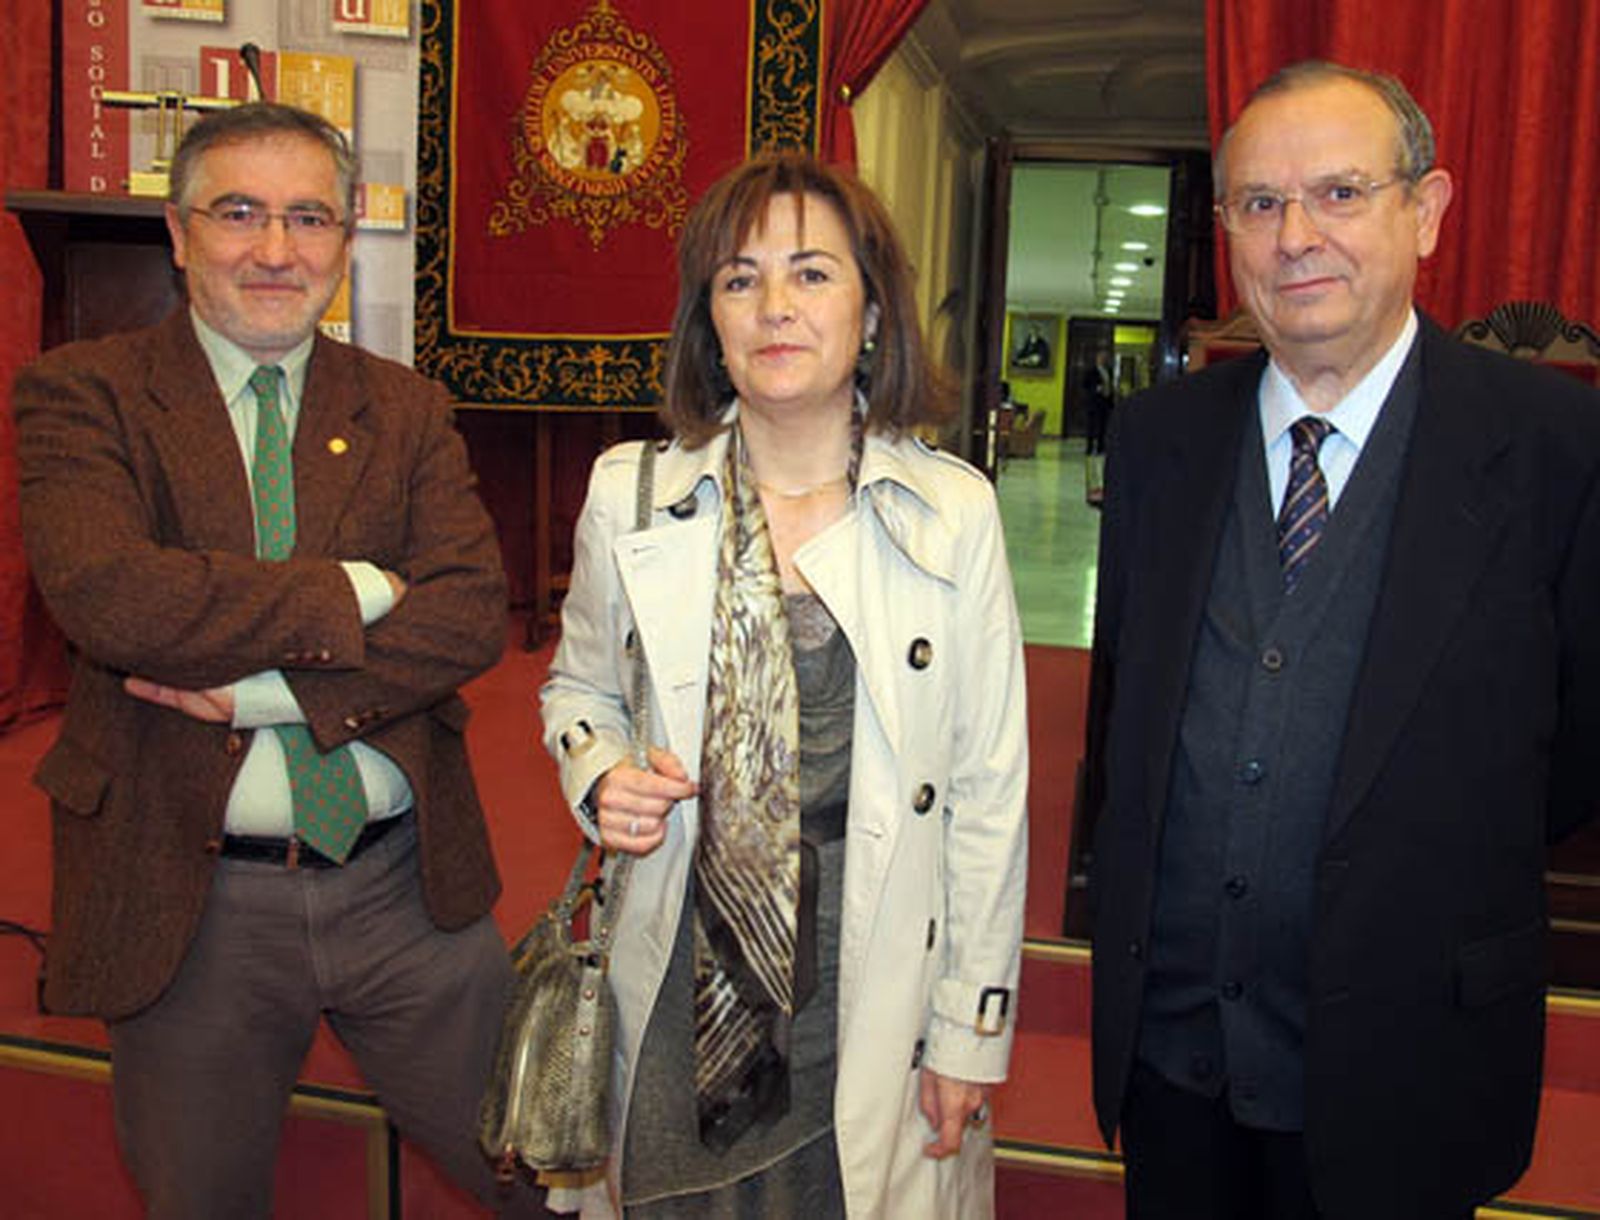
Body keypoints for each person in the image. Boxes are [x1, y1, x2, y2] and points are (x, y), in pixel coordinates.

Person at [1084, 61, 1600, 1220]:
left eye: (1339, 193)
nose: (1294, 236)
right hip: (1174, 1062)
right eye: (1258, 204)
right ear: (1225, 231)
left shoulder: (1558, 445)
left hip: (1406, 1061)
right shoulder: (1161, 440)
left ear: (1425, 209)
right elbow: (1125, 715)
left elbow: (1569, 753)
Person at [14, 103, 539, 1218]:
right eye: (239, 212)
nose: (275, 249)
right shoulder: (83, 394)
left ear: (346, 242)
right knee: (201, 1199)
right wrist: (359, 586)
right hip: (187, 893)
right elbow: (113, 596)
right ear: (178, 229)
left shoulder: (404, 407)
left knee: (542, 1175)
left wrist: (257, 686)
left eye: (309, 218)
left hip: (409, 890)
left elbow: (466, 616)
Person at [541, 152, 1028, 1217]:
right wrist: (601, 770)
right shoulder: (629, 492)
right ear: (706, 317)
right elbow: (578, 687)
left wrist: (969, 1029)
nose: (773, 306)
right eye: (738, 277)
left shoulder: (952, 510)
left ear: (870, 307)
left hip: (869, 968)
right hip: (681, 968)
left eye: (811, 273)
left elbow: (988, 796)